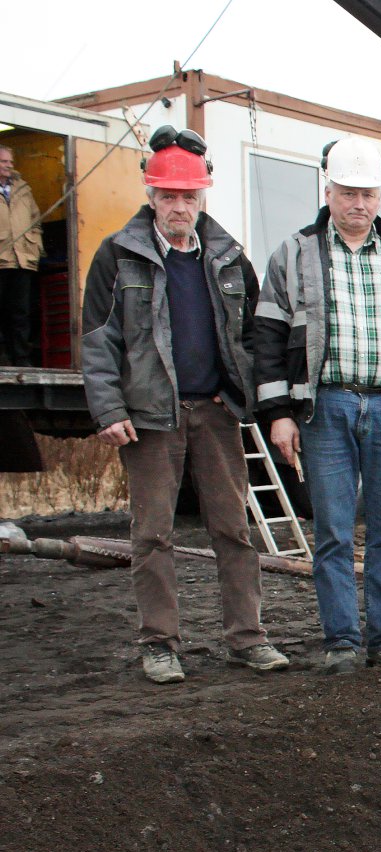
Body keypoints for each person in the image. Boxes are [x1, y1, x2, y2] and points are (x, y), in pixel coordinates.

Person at [80, 125, 289, 683]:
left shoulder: (228, 257)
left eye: (188, 196)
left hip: (216, 412)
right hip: (150, 418)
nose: (179, 206)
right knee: (151, 535)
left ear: (204, 195)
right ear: (151, 195)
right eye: (169, 196)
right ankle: (160, 645)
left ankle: (248, 638)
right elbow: (100, 339)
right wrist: (109, 408)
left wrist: (244, 395)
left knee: (234, 531)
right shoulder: (117, 257)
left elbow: (251, 337)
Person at [253, 136, 381, 675]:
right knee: (334, 531)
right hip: (324, 410)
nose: (358, 204)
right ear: (329, 191)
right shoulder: (294, 255)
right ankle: (342, 640)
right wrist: (277, 414)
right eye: (347, 193)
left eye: (368, 194)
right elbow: (268, 339)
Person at [0, 144, 43, 366]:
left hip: (22, 259)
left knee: (21, 312)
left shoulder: (23, 189)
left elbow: (35, 221)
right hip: (1, 259)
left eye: (10, 162)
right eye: (4, 162)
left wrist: (33, 247)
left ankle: (21, 359)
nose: (9, 166)